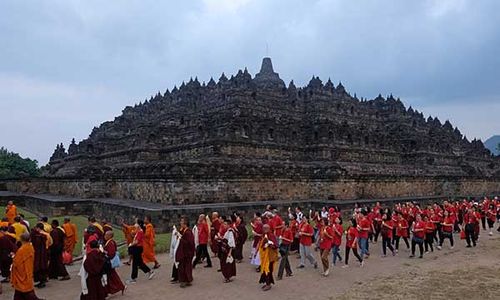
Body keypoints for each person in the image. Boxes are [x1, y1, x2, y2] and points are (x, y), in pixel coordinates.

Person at [11, 233, 43, 300]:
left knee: (26, 291)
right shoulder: (30, 247)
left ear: (20, 239)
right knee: (19, 292)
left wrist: (13, 257)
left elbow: (16, 263)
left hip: (21, 274)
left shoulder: (21, 250)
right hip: (28, 270)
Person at [103, 231, 126, 296]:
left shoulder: (110, 243)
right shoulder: (110, 242)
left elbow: (111, 253)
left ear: (110, 236)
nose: (105, 236)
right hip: (109, 262)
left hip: (109, 262)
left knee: (111, 276)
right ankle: (119, 287)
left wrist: (104, 253)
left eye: (106, 235)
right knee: (112, 276)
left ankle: (117, 288)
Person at [175, 216, 195, 288]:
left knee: (185, 267)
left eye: (182, 222)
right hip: (183, 252)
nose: (180, 223)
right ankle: (187, 280)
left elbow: (189, 243)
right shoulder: (183, 230)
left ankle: (185, 280)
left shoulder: (188, 232)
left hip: (187, 253)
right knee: (183, 267)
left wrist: (180, 238)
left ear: (185, 223)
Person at [258, 224, 278, 291]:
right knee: (265, 270)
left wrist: (270, 244)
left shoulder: (271, 235)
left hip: (270, 256)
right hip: (265, 257)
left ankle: (268, 284)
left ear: (269, 229)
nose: (265, 230)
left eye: (266, 228)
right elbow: (261, 244)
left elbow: (276, 245)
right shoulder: (263, 235)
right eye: (264, 228)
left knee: (268, 270)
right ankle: (267, 283)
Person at [218, 217, 236, 283]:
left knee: (227, 264)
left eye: (225, 224)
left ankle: (227, 277)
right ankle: (228, 276)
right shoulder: (227, 232)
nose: (224, 225)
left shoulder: (230, 232)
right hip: (225, 250)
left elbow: (231, 243)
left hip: (228, 251)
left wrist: (229, 253)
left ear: (229, 225)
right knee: (225, 263)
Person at [31, 223, 49, 288]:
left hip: (40, 253)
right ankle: (41, 281)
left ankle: (42, 281)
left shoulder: (40, 236)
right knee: (41, 267)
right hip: (43, 252)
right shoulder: (44, 235)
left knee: (40, 267)